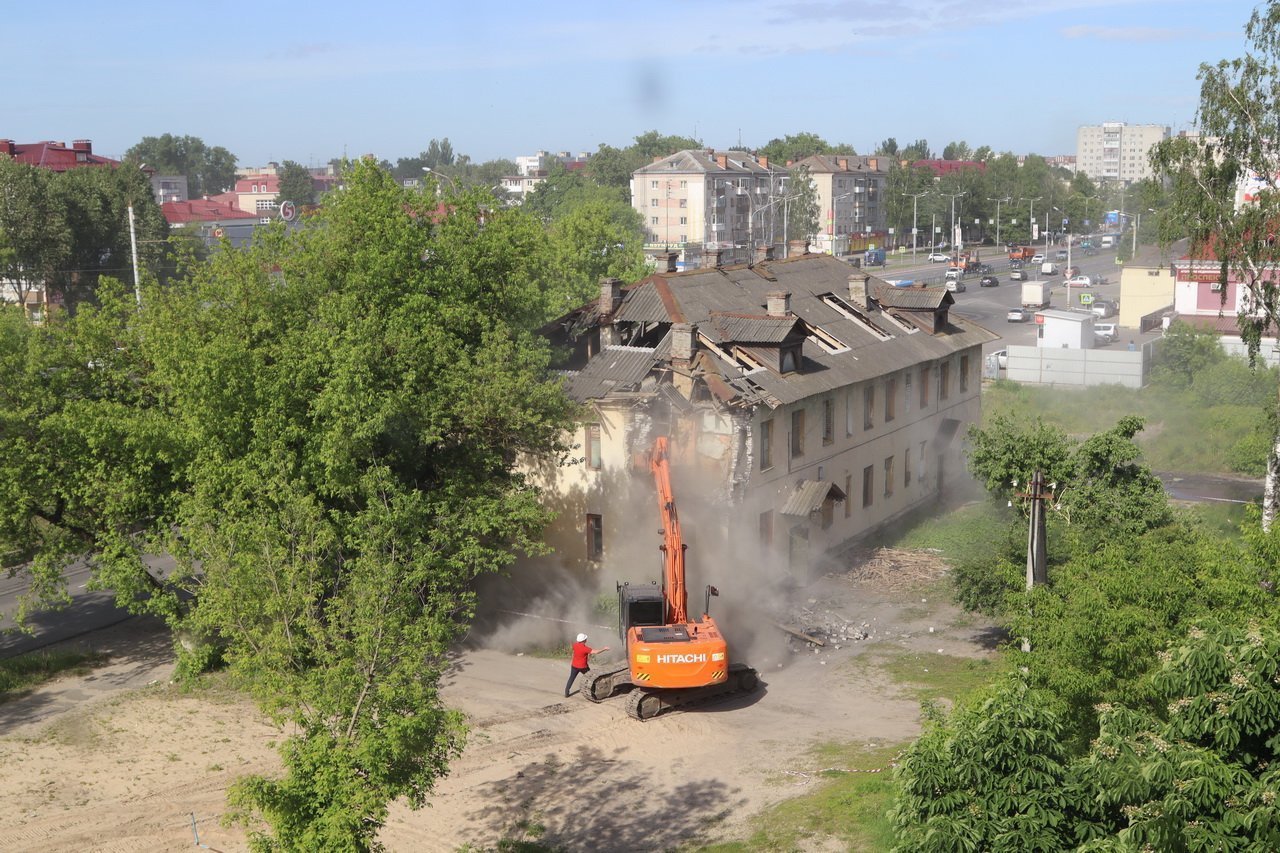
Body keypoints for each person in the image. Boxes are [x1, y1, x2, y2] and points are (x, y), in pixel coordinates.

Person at [565, 632, 609, 697]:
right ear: (584, 640)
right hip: (583, 667)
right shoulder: (585, 648)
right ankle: (594, 692)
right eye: (585, 638)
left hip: (574, 666)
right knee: (591, 677)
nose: (586, 639)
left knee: (571, 678)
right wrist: (604, 649)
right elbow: (596, 652)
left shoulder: (575, 645)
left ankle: (566, 692)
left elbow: (574, 649)